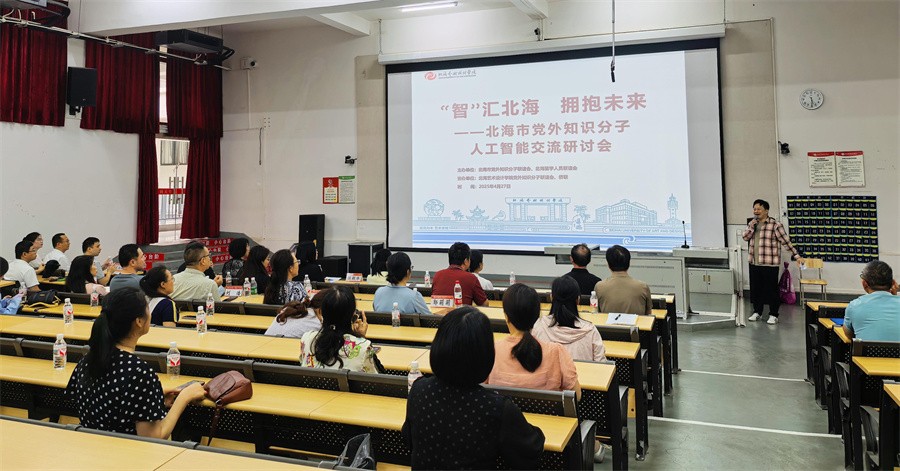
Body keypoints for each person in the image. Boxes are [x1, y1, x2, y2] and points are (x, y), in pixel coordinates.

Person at [401, 306, 544, 469]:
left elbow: (408, 439)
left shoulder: (418, 390)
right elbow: (532, 449)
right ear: (485, 354)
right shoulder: (496, 408)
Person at [65, 287, 206, 437]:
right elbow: (154, 436)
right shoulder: (139, 372)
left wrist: (155, 398)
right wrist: (184, 398)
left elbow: (109, 403)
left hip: (92, 446)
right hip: (125, 450)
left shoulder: (87, 360)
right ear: (139, 321)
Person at [487, 283, 581, 398]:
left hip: (500, 410)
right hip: (546, 410)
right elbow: (576, 395)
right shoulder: (556, 352)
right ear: (536, 317)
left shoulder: (490, 352)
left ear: (506, 317)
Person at [742, 199, 803, 325]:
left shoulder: (775, 225)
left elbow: (786, 241)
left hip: (769, 263)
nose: (756, 211)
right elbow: (745, 237)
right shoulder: (752, 224)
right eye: (754, 209)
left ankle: (773, 314)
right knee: (756, 289)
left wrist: (796, 255)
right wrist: (751, 227)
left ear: (766, 210)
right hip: (754, 262)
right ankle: (757, 312)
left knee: (771, 290)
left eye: (759, 209)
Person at [299, 286, 377, 372]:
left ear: (321, 313)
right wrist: (361, 338)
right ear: (353, 315)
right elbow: (376, 377)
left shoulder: (307, 339)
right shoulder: (363, 347)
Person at [534, 276, 606, 362]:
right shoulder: (590, 331)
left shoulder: (538, 326)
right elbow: (601, 364)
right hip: (581, 371)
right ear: (578, 300)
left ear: (551, 297)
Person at [843, 261, 900, 341]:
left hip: (866, 350)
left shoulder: (854, 306)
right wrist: (894, 296)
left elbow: (849, 335)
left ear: (864, 284)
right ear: (893, 283)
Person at [593, 245, 652, 315]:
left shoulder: (599, 287)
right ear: (629, 264)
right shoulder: (643, 287)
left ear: (608, 265)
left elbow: (596, 313)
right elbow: (648, 315)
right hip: (637, 322)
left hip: (607, 322)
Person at [431, 242, 488, 306]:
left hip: (438, 312)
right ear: (466, 261)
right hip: (461, 312)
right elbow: (484, 304)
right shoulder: (471, 278)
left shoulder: (438, 275)